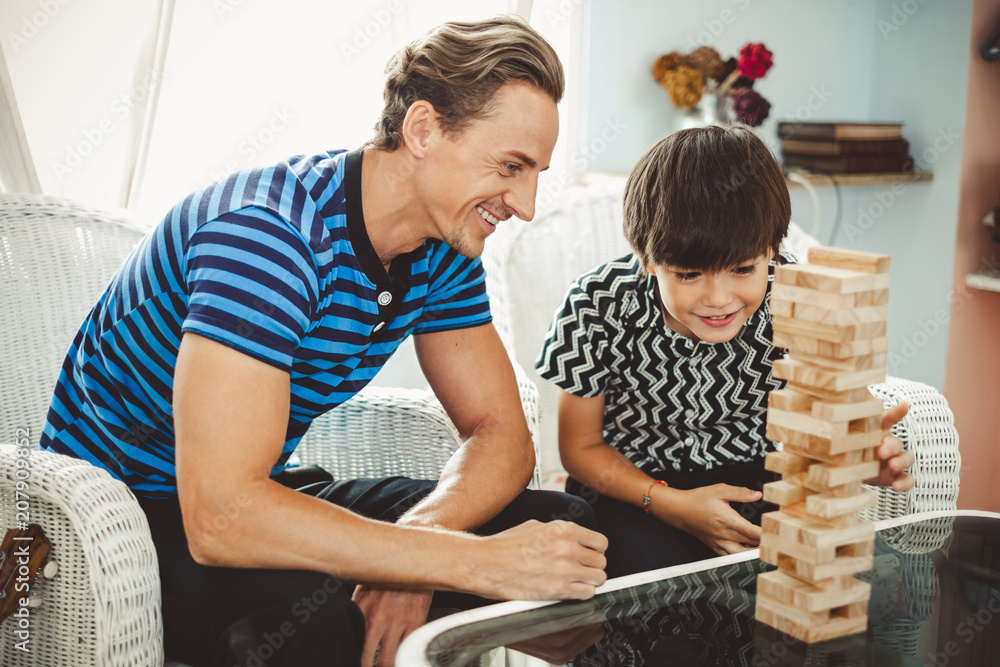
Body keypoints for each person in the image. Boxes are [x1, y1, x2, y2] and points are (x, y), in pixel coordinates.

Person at [40, 16, 607, 667]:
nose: (526, 203)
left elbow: (502, 434)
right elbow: (221, 513)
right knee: (307, 616)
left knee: (563, 533)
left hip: (262, 489)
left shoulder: (441, 247)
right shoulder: (268, 236)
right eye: (510, 166)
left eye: (535, 171)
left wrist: (415, 554)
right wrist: (467, 561)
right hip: (117, 517)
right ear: (423, 130)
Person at [535, 125, 914, 578]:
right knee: (658, 586)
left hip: (760, 481)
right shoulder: (598, 304)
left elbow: (816, 426)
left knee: (851, 578)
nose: (718, 298)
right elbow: (581, 447)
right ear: (649, 261)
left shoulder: (799, 298)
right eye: (689, 274)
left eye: (742, 268)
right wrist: (672, 504)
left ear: (772, 250)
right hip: (635, 490)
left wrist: (852, 457)